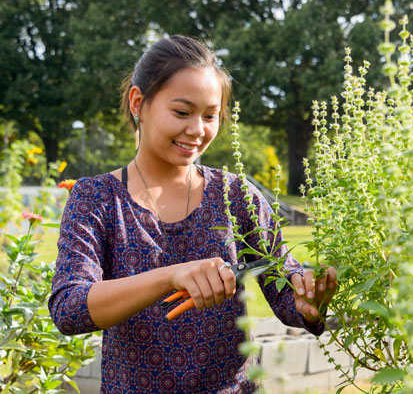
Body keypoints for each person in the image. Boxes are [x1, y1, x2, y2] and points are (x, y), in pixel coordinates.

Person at [48, 35, 338, 394]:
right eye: (182, 112)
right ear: (138, 103)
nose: (198, 130)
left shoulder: (235, 195)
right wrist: (170, 276)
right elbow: (69, 308)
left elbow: (284, 291)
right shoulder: (96, 198)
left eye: (210, 116)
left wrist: (308, 302)